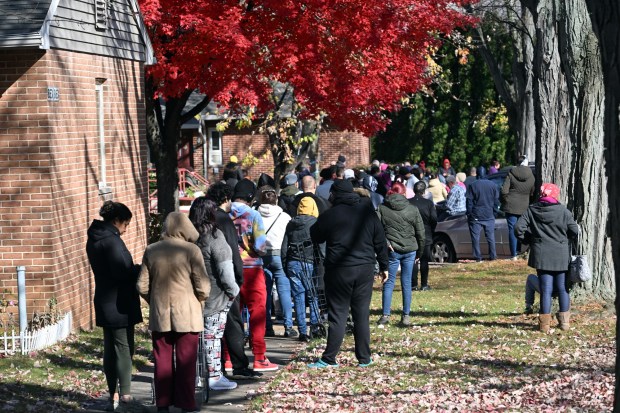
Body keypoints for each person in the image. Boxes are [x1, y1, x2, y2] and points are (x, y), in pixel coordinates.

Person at [309, 179, 389, 368]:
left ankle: (329, 358)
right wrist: (384, 266)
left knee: (338, 314)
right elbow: (380, 241)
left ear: (334, 194)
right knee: (361, 313)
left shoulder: (330, 215)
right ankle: (364, 358)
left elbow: (316, 235)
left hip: (339, 270)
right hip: (365, 268)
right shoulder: (368, 214)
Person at [138, 212, 210, 413]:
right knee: (187, 361)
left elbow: (142, 285)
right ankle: (186, 403)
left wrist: (153, 300)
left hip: (160, 313)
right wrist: (200, 300)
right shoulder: (191, 250)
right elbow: (203, 285)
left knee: (162, 360)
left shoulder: (151, 250)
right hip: (187, 313)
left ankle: (163, 404)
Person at [86, 201, 143, 412]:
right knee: (124, 347)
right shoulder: (112, 242)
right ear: (117, 220)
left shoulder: (94, 238)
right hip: (119, 302)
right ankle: (126, 395)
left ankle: (113, 393)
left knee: (110, 348)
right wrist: (138, 269)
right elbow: (123, 271)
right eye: (126, 224)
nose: (126, 229)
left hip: (103, 298)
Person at [206, 182, 261, 380]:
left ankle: (217, 364)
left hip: (208, 277)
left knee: (213, 325)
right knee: (233, 322)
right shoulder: (225, 220)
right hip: (227, 276)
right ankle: (239, 364)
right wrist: (238, 277)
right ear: (226, 199)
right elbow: (231, 250)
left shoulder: (206, 218)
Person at [189, 197, 240, 391]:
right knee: (212, 338)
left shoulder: (188, 237)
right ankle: (214, 375)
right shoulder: (215, 237)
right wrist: (232, 291)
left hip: (191, 297)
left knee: (193, 339)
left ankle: (194, 376)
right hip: (216, 297)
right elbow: (225, 271)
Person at [515, 183, 579, 332]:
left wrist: (529, 239)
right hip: (561, 253)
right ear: (555, 195)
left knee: (546, 290)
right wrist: (564, 239)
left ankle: (544, 325)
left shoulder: (532, 210)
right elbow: (574, 230)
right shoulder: (563, 211)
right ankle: (564, 323)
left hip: (541, 253)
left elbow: (518, 228)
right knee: (563, 288)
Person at [229, 179, 279, 372]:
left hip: (231, 268)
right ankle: (259, 357)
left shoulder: (224, 214)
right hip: (252, 269)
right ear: (250, 197)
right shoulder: (253, 215)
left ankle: (227, 357)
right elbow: (259, 246)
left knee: (232, 315)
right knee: (257, 313)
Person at [376, 182, 425, 327]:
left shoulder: (382, 208)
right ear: (404, 194)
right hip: (410, 250)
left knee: (388, 282)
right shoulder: (413, 209)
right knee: (406, 283)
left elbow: (376, 229)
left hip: (392, 250)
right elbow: (421, 233)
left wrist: (386, 242)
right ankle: (406, 316)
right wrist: (420, 252)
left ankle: (385, 315)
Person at [281, 197, 322, 342]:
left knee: (298, 297)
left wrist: (286, 264)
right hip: (309, 262)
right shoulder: (315, 222)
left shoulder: (290, 224)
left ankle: (302, 332)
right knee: (312, 296)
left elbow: (284, 247)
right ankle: (315, 327)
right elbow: (320, 244)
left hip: (292, 262)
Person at [256, 186, 294, 338]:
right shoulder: (284, 216)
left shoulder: (255, 215)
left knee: (265, 293)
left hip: (262, 255)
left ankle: (267, 327)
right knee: (284, 291)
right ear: (276, 200)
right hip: (279, 255)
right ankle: (288, 326)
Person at [501, 155, 535, 260]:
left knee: (512, 229)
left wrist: (505, 200)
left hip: (511, 206)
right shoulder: (531, 176)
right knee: (521, 228)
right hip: (525, 205)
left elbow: (504, 191)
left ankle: (514, 254)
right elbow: (532, 192)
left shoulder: (511, 173)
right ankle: (520, 251)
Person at [409, 181, 437, 291]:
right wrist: (431, 229)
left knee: (413, 259)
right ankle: (424, 284)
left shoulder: (408, 203)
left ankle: (413, 284)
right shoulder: (428, 204)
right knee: (424, 260)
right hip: (426, 233)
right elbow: (434, 219)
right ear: (424, 191)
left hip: (412, 233)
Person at [466, 177, 500, 261]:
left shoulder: (472, 185)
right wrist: (495, 213)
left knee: (475, 238)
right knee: (490, 237)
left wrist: (469, 213)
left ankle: (478, 257)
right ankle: (493, 256)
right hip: (489, 214)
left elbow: (469, 201)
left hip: (476, 215)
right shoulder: (493, 185)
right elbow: (496, 201)